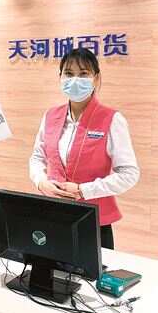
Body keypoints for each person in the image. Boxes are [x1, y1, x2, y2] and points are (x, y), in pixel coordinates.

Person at [29, 48, 139, 249]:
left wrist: (84, 190)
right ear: (60, 77)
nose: (75, 80)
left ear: (96, 78)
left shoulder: (112, 119)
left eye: (83, 74)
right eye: (69, 73)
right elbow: (37, 157)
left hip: (93, 222)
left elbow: (129, 174)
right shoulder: (50, 116)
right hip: (53, 214)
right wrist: (40, 181)